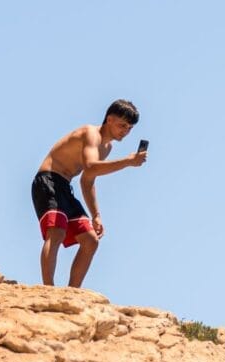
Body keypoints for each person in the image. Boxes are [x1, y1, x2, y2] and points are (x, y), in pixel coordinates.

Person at [31, 99, 146, 288]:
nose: (125, 131)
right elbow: (90, 166)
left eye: (130, 128)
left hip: (65, 187)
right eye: (122, 125)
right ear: (109, 119)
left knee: (90, 240)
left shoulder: (107, 148)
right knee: (57, 232)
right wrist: (127, 161)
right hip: (48, 180)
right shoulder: (91, 133)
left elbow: (87, 179)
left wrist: (96, 214)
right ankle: (47, 289)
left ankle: (72, 292)